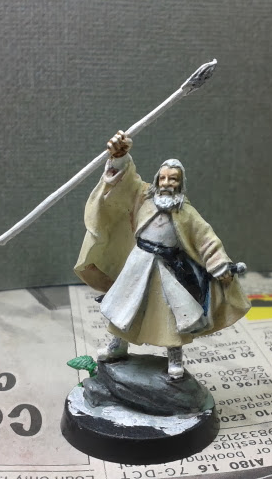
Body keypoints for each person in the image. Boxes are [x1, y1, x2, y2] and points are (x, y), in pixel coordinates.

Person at [75, 131, 250, 379]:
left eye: (173, 179)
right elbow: (126, 180)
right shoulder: (143, 196)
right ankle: (117, 346)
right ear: (158, 179)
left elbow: (206, 239)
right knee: (124, 306)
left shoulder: (185, 212)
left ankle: (174, 357)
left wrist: (219, 264)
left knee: (173, 314)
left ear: (180, 183)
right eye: (164, 178)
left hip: (167, 268)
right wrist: (120, 157)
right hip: (138, 263)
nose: (167, 183)